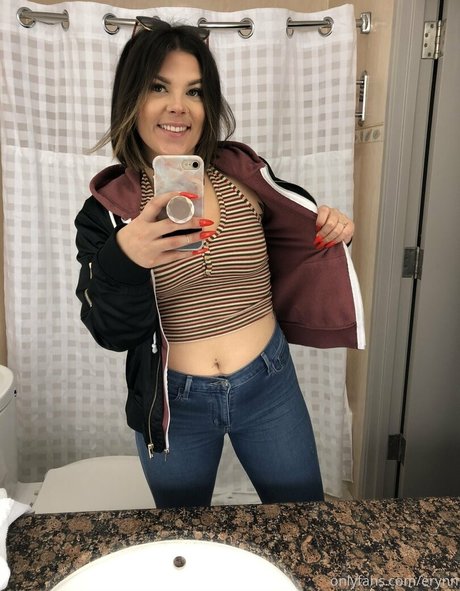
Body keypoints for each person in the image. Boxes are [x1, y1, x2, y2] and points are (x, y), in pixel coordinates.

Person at [75, 18, 362, 509]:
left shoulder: (246, 176)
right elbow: (111, 332)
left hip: (269, 384)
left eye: (194, 91)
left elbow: (301, 232)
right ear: (131, 100)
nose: (178, 106)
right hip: (174, 402)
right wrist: (125, 257)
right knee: (184, 537)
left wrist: (332, 226)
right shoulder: (108, 211)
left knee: (305, 522)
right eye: (158, 87)